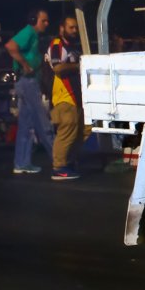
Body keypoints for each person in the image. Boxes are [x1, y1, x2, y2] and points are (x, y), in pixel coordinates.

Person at [4, 9, 54, 174]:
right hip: (27, 82)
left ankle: (22, 163)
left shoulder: (32, 34)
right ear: (34, 20)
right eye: (43, 21)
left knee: (25, 126)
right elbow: (10, 46)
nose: (46, 24)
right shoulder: (29, 32)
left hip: (26, 82)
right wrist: (25, 65)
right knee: (42, 122)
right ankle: (59, 161)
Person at [46, 15, 83, 180]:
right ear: (62, 28)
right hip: (63, 97)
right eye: (71, 27)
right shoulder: (57, 44)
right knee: (66, 131)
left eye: (76, 27)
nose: (74, 31)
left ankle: (68, 162)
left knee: (80, 131)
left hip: (75, 97)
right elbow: (58, 68)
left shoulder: (73, 46)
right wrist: (78, 65)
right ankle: (59, 167)